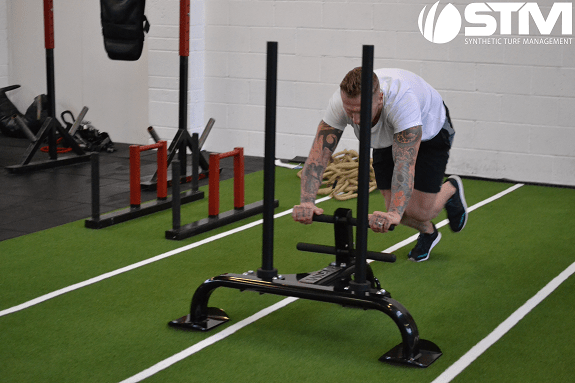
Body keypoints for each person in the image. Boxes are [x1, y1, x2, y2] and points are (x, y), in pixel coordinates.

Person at [292, 67, 468, 262]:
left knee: (418, 211)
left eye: (361, 112)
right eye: (350, 112)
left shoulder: (402, 103)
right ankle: (429, 233)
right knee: (395, 206)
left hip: (430, 131)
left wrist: (394, 213)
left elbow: (404, 165)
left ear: (380, 99)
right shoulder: (340, 103)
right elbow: (318, 157)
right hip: (386, 135)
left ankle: (451, 188)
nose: (356, 120)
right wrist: (307, 201)